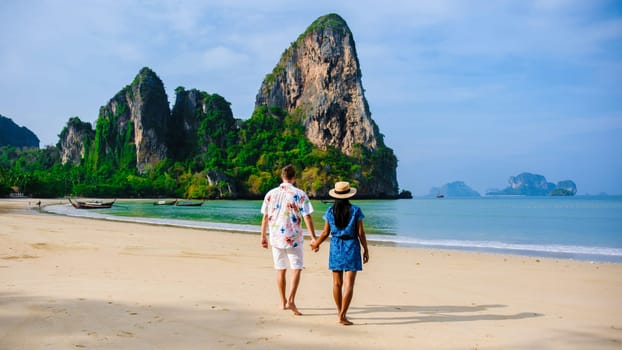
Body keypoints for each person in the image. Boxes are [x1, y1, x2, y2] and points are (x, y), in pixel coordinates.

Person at [260, 164, 317, 316]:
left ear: (281, 177)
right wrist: (313, 237)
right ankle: (291, 300)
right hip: (294, 238)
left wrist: (263, 236)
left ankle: (282, 302)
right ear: (294, 178)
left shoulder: (270, 194)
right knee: (296, 268)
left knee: (280, 269)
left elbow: (265, 216)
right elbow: (307, 216)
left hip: (276, 237)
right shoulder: (300, 194)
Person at [310, 181, 369, 325]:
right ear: (349, 195)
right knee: (348, 284)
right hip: (352, 246)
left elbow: (325, 232)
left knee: (337, 283)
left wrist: (316, 243)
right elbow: (360, 233)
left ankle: (339, 312)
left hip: (336, 246)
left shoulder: (330, 211)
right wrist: (366, 249)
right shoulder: (356, 210)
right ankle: (342, 315)